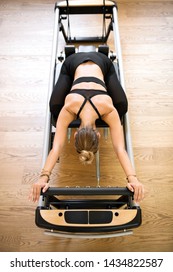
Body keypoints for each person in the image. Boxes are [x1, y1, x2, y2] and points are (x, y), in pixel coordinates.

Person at [29, 51, 144, 203]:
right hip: (83, 62)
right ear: (76, 134)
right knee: (121, 107)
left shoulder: (108, 109)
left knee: (120, 109)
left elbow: (119, 149)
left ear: (98, 136)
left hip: (91, 62)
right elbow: (56, 148)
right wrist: (42, 178)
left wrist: (133, 179)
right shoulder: (70, 106)